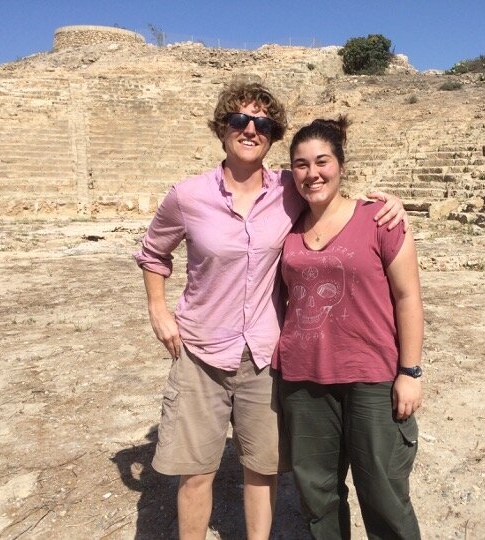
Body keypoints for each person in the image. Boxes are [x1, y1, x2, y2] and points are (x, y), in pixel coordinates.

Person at [134, 82, 408, 539]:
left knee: (261, 470)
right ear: (223, 128)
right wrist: (158, 308)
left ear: (272, 134)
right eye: (240, 120)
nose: (250, 129)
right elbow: (153, 253)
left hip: (264, 353)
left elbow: (330, 191)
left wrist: (386, 203)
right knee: (196, 471)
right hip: (201, 351)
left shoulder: (288, 187)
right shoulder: (186, 196)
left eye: (262, 123)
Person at [274, 116, 424, 539]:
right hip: (303, 379)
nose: (312, 173)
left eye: (322, 161)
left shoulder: (380, 219)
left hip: (371, 377)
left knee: (384, 493)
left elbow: (407, 298)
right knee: (316, 494)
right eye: (300, 165)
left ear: (341, 164)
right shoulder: (285, 227)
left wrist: (410, 372)